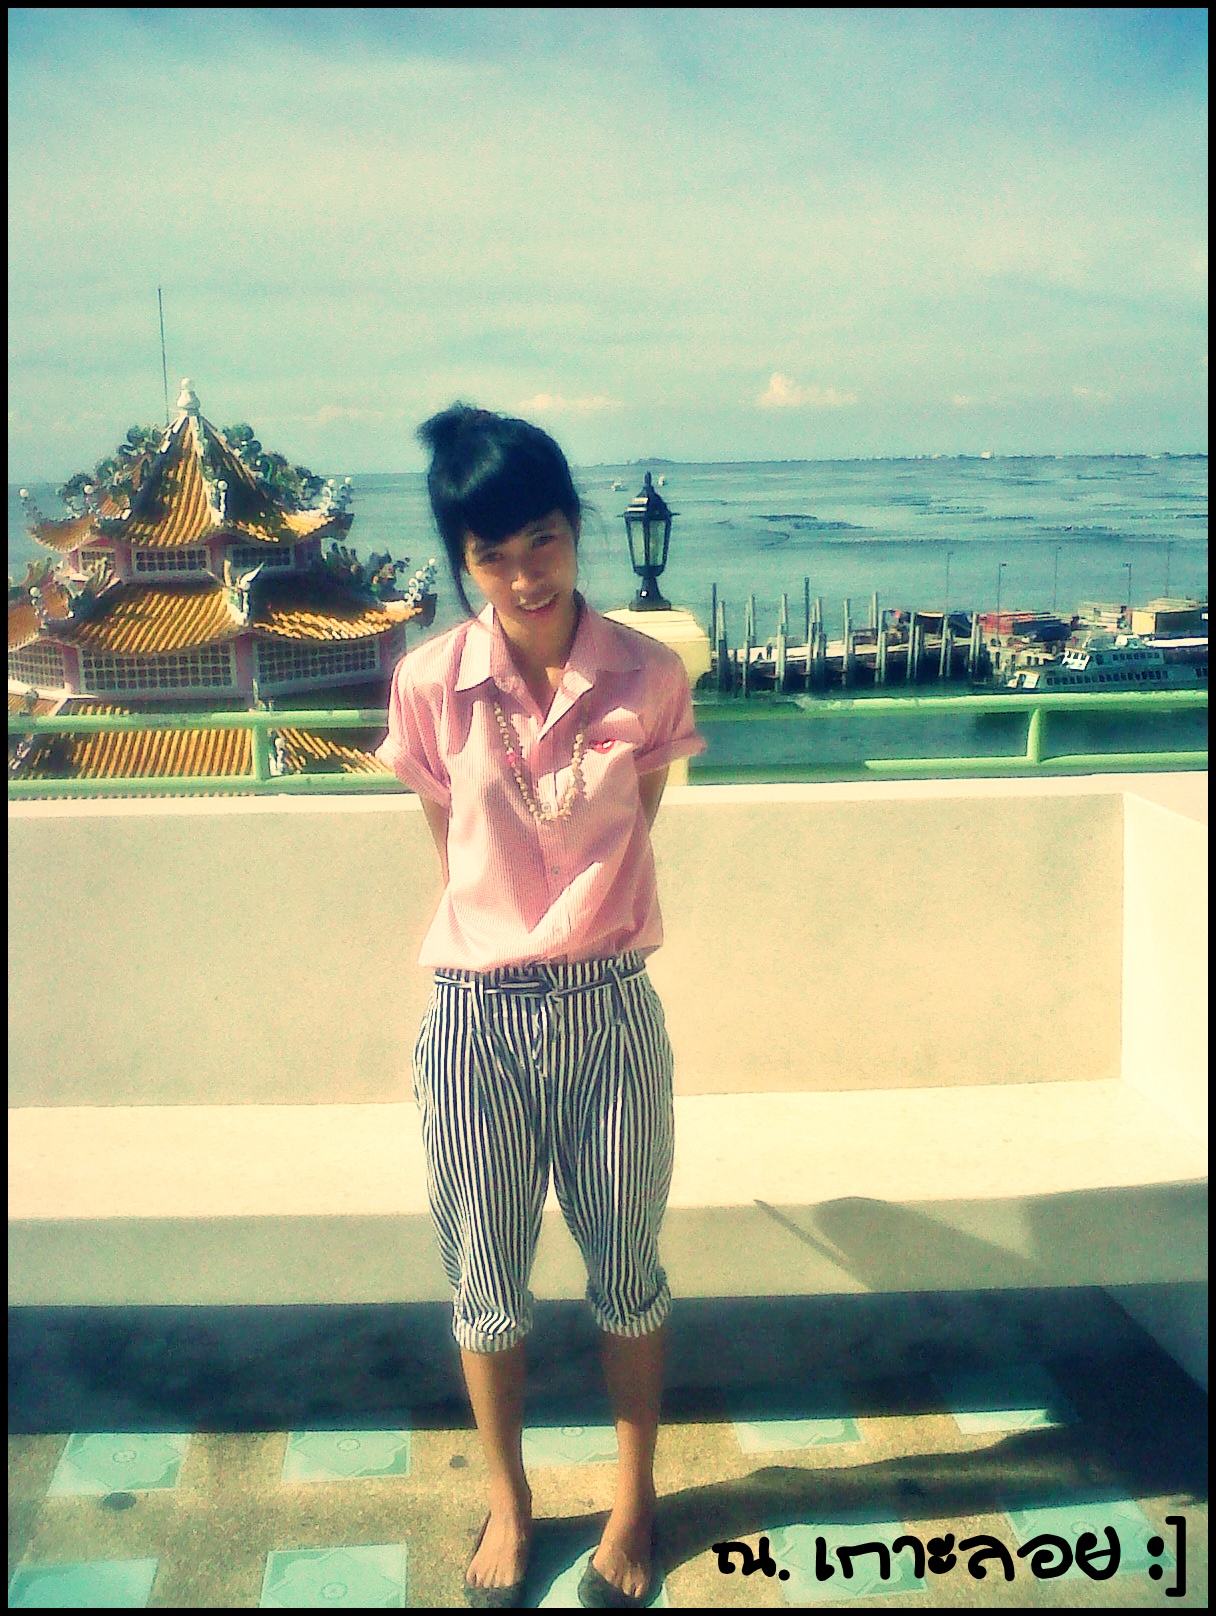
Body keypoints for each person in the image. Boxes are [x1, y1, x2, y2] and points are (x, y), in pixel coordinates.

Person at [376, 403, 704, 1609]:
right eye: (492, 553)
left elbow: (636, 832)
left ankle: (631, 1498)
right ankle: (509, 1498)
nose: (524, 574)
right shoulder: (429, 684)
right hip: (475, 1019)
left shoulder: (648, 675)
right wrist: (508, 940)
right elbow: (451, 847)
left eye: (544, 540)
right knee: (486, 1277)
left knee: (628, 1267)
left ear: (575, 529)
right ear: (463, 559)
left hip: (610, 1008)